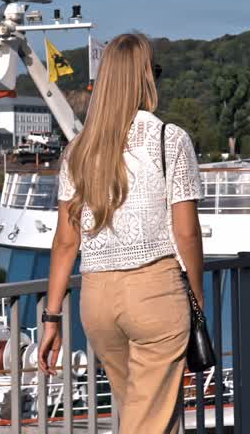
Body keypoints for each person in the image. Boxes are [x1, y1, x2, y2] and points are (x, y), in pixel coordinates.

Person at [37, 31, 205, 433]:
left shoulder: (77, 150)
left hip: (96, 301)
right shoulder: (170, 139)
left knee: (140, 414)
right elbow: (186, 234)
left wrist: (51, 317)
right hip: (155, 293)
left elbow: (65, 242)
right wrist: (196, 299)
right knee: (150, 422)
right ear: (146, 77)